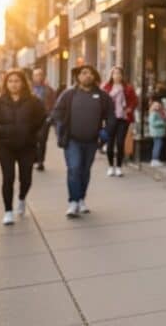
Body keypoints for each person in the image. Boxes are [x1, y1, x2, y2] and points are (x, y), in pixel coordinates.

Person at [52, 65, 116, 218]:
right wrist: (60, 129)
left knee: (85, 171)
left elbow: (111, 117)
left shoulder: (102, 96)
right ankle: (73, 202)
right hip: (72, 140)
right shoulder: (69, 94)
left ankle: (81, 198)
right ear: (78, 76)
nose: (88, 76)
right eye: (84, 73)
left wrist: (105, 132)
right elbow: (57, 113)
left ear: (95, 77)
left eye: (91, 73)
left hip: (92, 141)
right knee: (74, 169)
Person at [0, 69, 47, 226]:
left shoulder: (33, 101)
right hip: (5, 146)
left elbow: (43, 118)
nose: (13, 84)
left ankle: (21, 198)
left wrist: (33, 132)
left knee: (26, 178)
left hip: (27, 146)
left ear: (23, 83)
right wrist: (2, 131)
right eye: (10, 81)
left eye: (17, 81)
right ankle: (8, 211)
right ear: (6, 84)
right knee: (8, 178)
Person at [102, 66, 138, 177]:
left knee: (120, 142)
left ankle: (118, 167)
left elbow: (135, 100)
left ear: (122, 76)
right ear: (111, 75)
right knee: (110, 143)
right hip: (111, 118)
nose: (117, 76)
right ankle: (110, 166)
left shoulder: (127, 88)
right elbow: (103, 103)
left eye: (119, 73)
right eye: (114, 73)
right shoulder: (107, 88)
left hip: (123, 118)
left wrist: (130, 108)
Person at [30, 67, 58, 171]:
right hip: (30, 119)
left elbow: (54, 104)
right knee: (32, 140)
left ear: (44, 76)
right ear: (33, 77)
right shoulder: (29, 89)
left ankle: (40, 161)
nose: (38, 77)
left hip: (44, 119)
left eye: (40, 74)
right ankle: (34, 158)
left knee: (42, 140)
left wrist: (50, 117)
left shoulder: (49, 90)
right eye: (36, 75)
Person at [147, 93, 166, 167]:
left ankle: (155, 159)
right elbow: (153, 123)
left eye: (159, 105)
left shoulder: (158, 113)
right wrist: (162, 123)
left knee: (157, 145)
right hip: (156, 133)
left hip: (158, 132)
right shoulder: (154, 113)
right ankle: (155, 160)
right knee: (157, 146)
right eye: (156, 106)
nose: (158, 107)